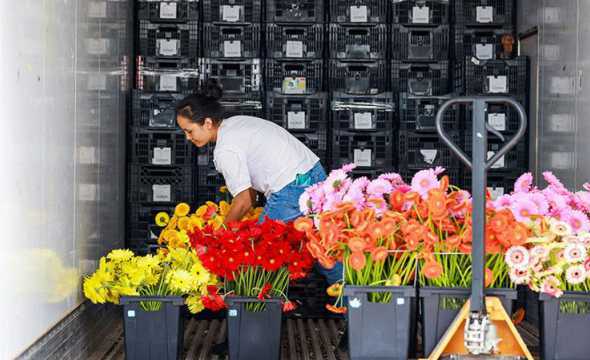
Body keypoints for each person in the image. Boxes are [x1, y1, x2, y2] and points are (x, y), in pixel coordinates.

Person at [176, 80, 345, 353]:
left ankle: (246, 334)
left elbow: (244, 201)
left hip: (291, 188)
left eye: (189, 130)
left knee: (257, 257)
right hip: (313, 175)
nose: (188, 137)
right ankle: (360, 316)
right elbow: (251, 195)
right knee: (323, 250)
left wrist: (219, 235)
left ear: (207, 123)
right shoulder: (235, 124)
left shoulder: (225, 150)